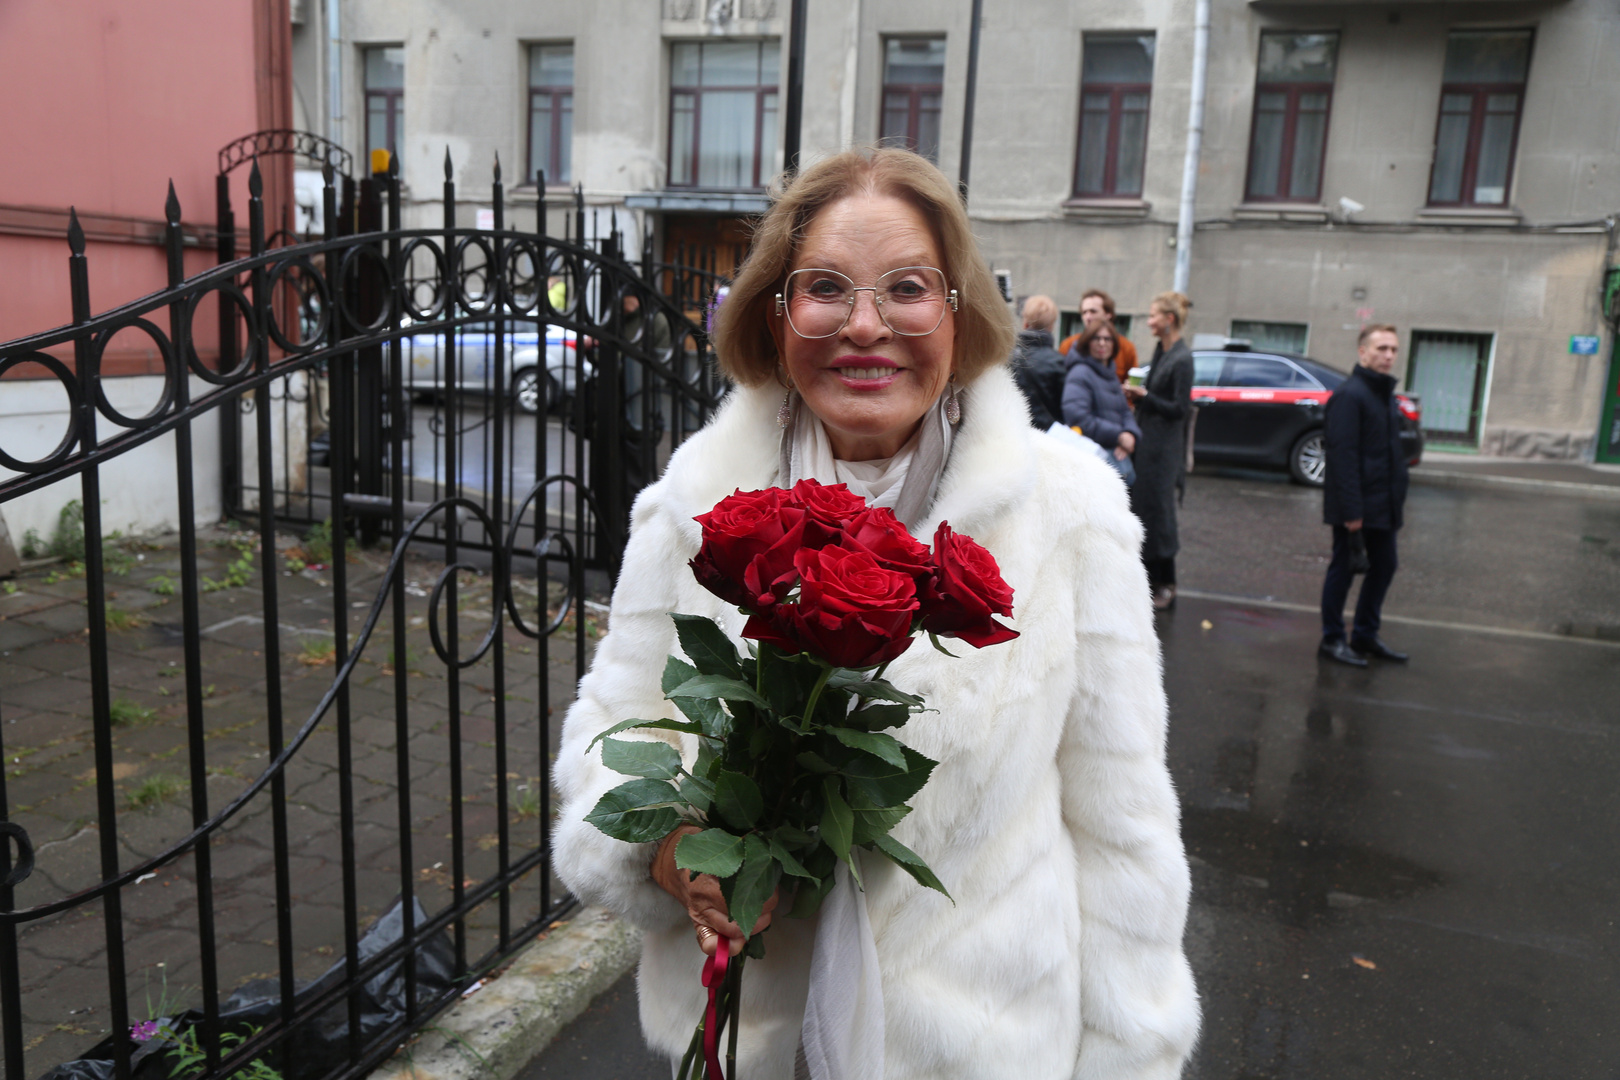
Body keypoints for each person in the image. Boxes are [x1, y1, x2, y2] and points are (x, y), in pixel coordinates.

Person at [551, 147, 1198, 1079]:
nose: (865, 325)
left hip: (985, 1050)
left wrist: (1133, 1057)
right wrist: (667, 854)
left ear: (958, 312)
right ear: (776, 313)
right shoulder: (695, 502)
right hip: (747, 1041)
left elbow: (1123, 826)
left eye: (907, 288)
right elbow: (611, 734)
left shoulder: (1067, 512)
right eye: (825, 288)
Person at [1318, 324, 1410, 667]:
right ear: (1363, 352)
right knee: (1344, 569)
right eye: (1381, 348)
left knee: (1384, 565)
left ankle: (1365, 635)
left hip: (1384, 502)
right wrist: (1352, 512)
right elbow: (1342, 458)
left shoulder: (1383, 394)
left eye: (1393, 349)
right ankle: (1332, 639)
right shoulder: (1350, 395)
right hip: (1357, 506)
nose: (1389, 355)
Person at [1123, 292, 1194, 610]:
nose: (1149, 321)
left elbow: (1179, 408)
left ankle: (1168, 582)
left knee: (1161, 513)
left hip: (1164, 449)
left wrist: (1145, 397)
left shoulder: (1183, 358)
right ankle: (1150, 582)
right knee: (1146, 510)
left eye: (1153, 316)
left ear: (1169, 319)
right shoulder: (1162, 350)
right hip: (1148, 442)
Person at [1061, 320, 1140, 485]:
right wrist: (1119, 437)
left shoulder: (1109, 372)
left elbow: (1124, 410)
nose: (1102, 343)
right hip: (1093, 462)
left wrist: (1130, 434)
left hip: (1114, 458)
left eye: (1107, 338)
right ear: (1087, 342)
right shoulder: (1080, 373)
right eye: (1096, 338)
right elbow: (1078, 418)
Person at [1010, 293, 1068, 429]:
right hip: (1049, 434)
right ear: (1051, 326)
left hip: (1014, 431)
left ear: (1025, 323)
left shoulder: (1007, 358)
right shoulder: (1059, 362)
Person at [1058, 288, 1139, 383]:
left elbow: (1132, 383)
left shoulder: (1126, 347)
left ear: (1108, 314)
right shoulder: (1068, 345)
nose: (1088, 317)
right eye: (1084, 312)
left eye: (1093, 311)